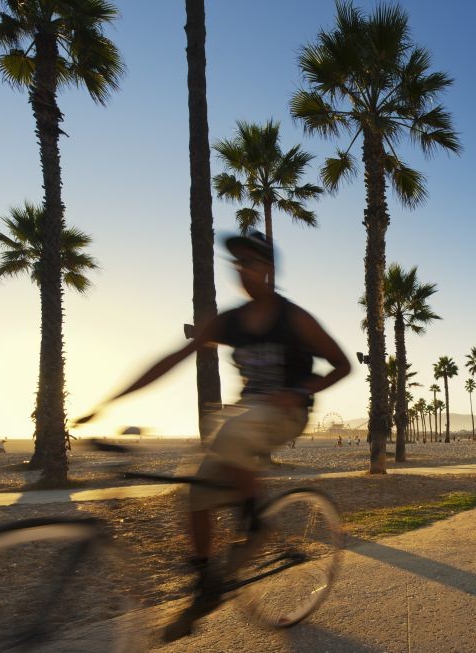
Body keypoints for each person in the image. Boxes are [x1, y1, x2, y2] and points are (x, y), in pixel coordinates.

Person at [74, 231, 351, 640]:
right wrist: (111, 400)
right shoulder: (231, 321)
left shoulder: (294, 319)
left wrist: (298, 392)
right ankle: (205, 584)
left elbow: (342, 365)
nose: (243, 272)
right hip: (245, 416)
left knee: (234, 428)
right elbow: (174, 358)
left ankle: (255, 526)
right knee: (194, 487)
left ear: (270, 271)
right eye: (237, 264)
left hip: (286, 412)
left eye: (252, 264)